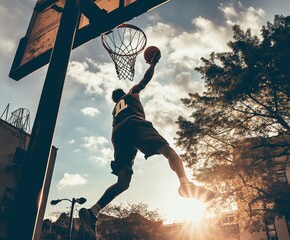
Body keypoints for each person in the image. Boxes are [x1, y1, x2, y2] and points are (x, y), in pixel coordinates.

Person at [79, 52, 215, 239]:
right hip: (133, 123)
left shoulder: (115, 110)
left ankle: (93, 211)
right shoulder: (131, 94)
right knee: (167, 150)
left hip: (117, 133)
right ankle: (185, 184)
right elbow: (145, 79)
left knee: (123, 180)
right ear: (125, 93)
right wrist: (153, 63)